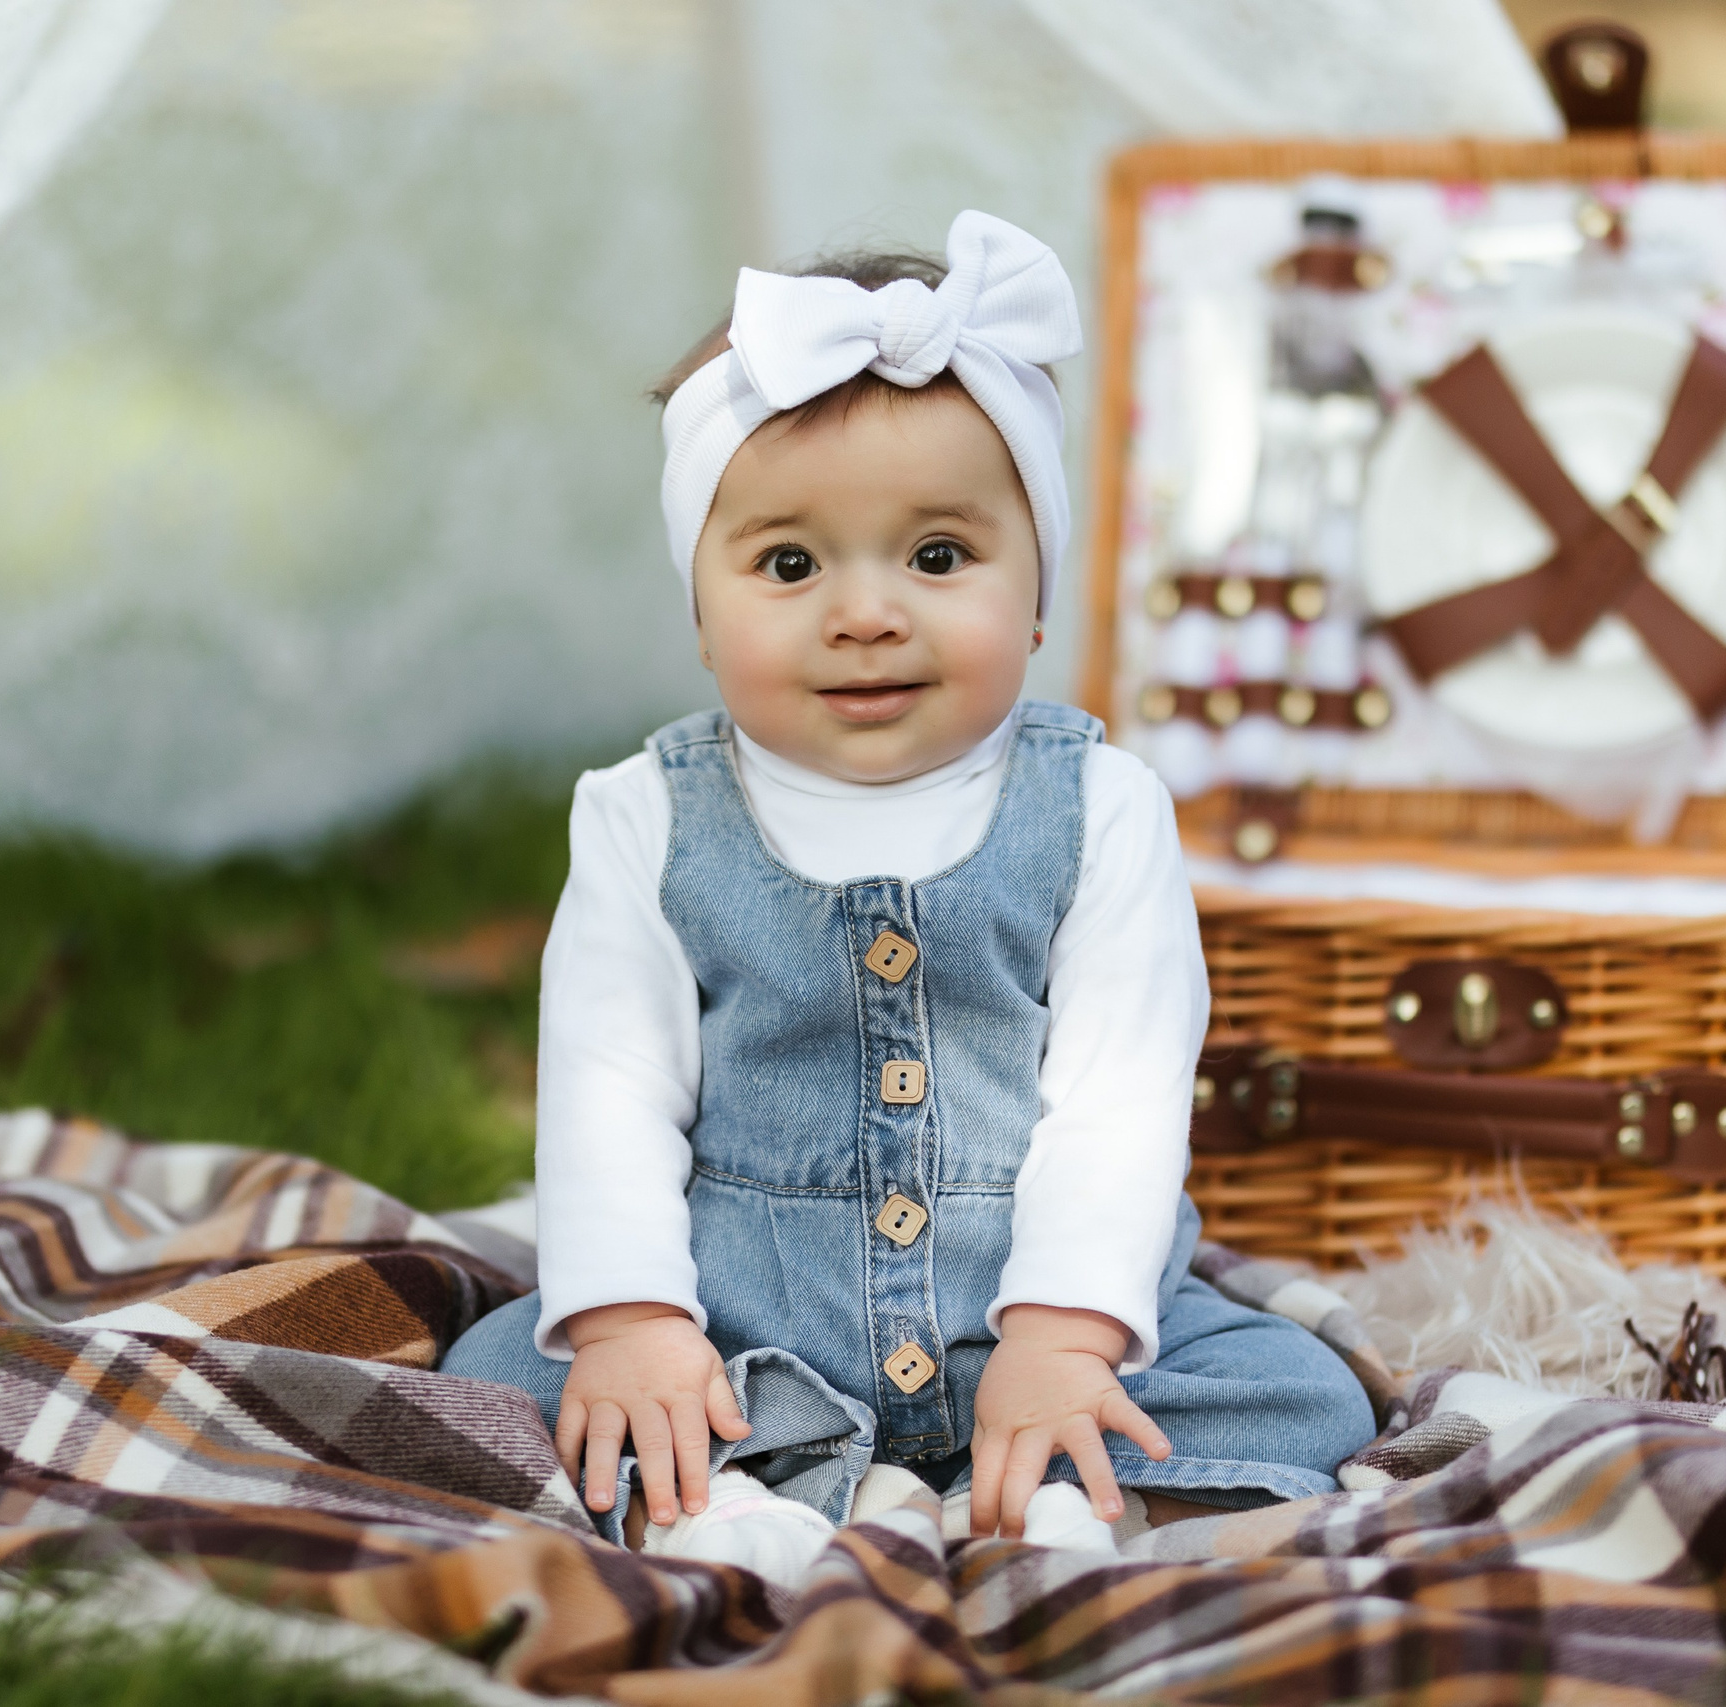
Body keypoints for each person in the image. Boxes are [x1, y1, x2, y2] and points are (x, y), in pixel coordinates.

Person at [443, 211, 1373, 1582]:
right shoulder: (645, 817)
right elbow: (606, 1089)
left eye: (939, 558)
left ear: (1039, 590)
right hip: (750, 1317)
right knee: (503, 1369)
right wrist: (637, 1319)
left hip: (1029, 1314)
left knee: (1310, 1389)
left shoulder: (1101, 811)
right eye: (789, 564)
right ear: (700, 610)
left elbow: (1117, 1097)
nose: (866, 612)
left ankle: (1076, 1487)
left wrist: (1066, 1337)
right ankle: (717, 1491)